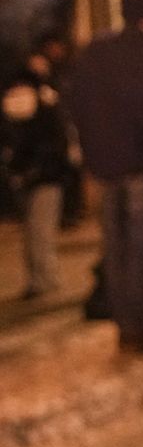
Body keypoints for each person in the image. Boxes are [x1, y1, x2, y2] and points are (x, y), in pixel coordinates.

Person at [65, 0, 143, 354]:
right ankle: (135, 325)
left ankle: (125, 321)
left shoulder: (94, 55)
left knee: (115, 247)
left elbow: (76, 105)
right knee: (142, 247)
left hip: (105, 164)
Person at [2, 55, 74, 300]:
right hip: (40, 176)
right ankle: (41, 278)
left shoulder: (39, 105)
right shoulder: (40, 103)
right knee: (36, 231)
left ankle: (44, 279)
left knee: (38, 231)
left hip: (42, 177)